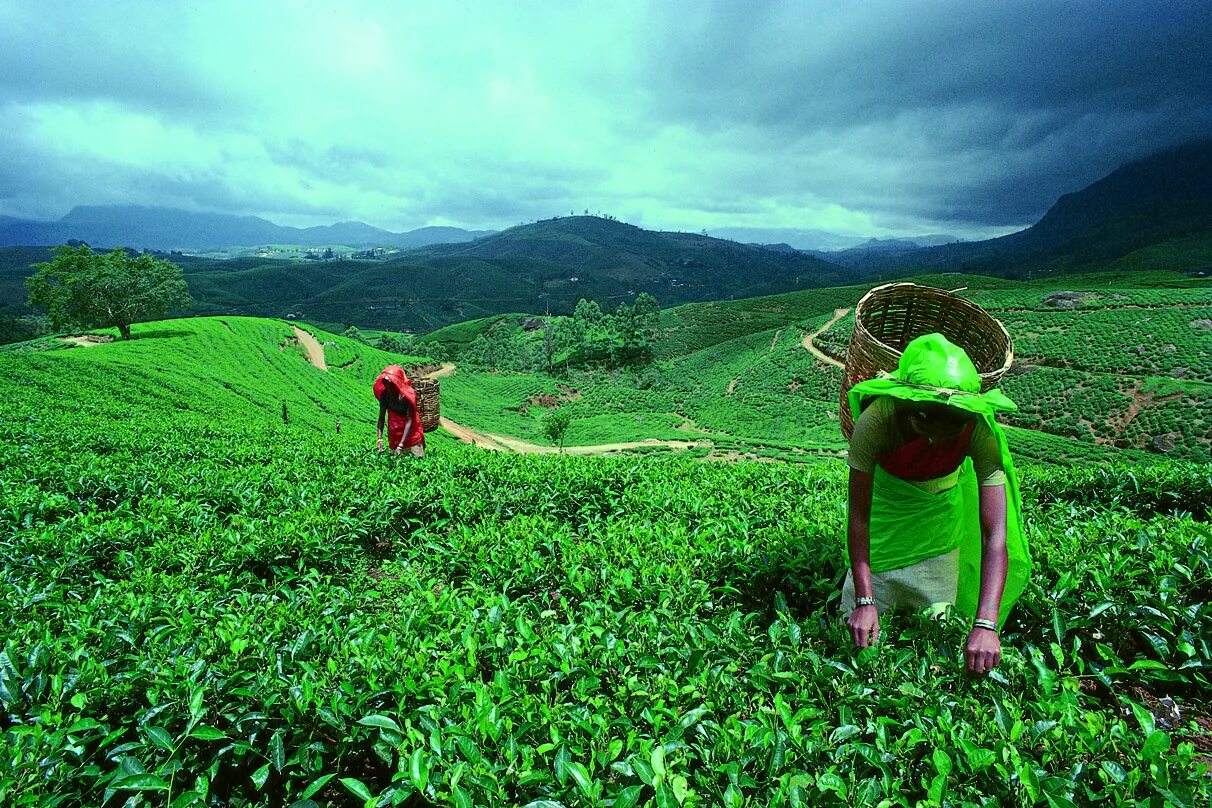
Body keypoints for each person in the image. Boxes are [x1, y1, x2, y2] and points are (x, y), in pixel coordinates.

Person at [842, 333, 1031, 676]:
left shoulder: (978, 430)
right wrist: (865, 601)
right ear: (906, 406)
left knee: (935, 647)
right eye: (925, 425)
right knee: (858, 645)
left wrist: (986, 624)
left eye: (949, 433)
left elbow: (994, 533)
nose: (935, 442)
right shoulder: (877, 420)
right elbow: (859, 516)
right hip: (883, 531)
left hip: (938, 536)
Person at [374, 365, 425, 457]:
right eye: (385, 384)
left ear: (396, 383)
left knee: (417, 460)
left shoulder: (408, 396)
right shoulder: (385, 395)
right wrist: (379, 439)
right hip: (395, 436)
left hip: (412, 436)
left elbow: (409, 420)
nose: (387, 387)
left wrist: (401, 445)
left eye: (390, 384)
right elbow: (381, 417)